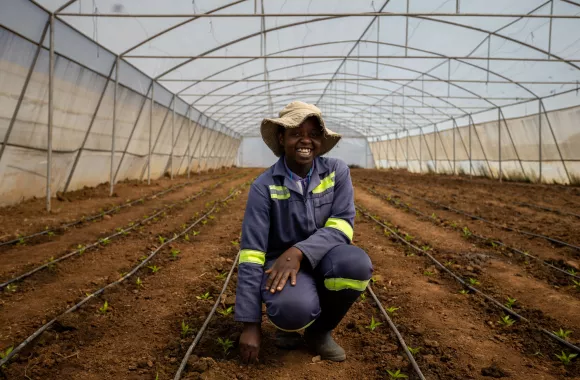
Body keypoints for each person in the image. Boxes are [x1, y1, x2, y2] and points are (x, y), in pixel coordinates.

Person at [234, 101, 373, 364]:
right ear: (281, 137)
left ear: (321, 140)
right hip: (280, 264)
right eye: (296, 133)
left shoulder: (336, 171)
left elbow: (342, 224)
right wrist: (250, 325)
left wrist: (299, 251)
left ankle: (319, 331)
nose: (305, 140)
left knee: (355, 265)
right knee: (291, 309)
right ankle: (287, 324)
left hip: (326, 257)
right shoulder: (264, 186)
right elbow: (251, 254)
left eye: (313, 134)